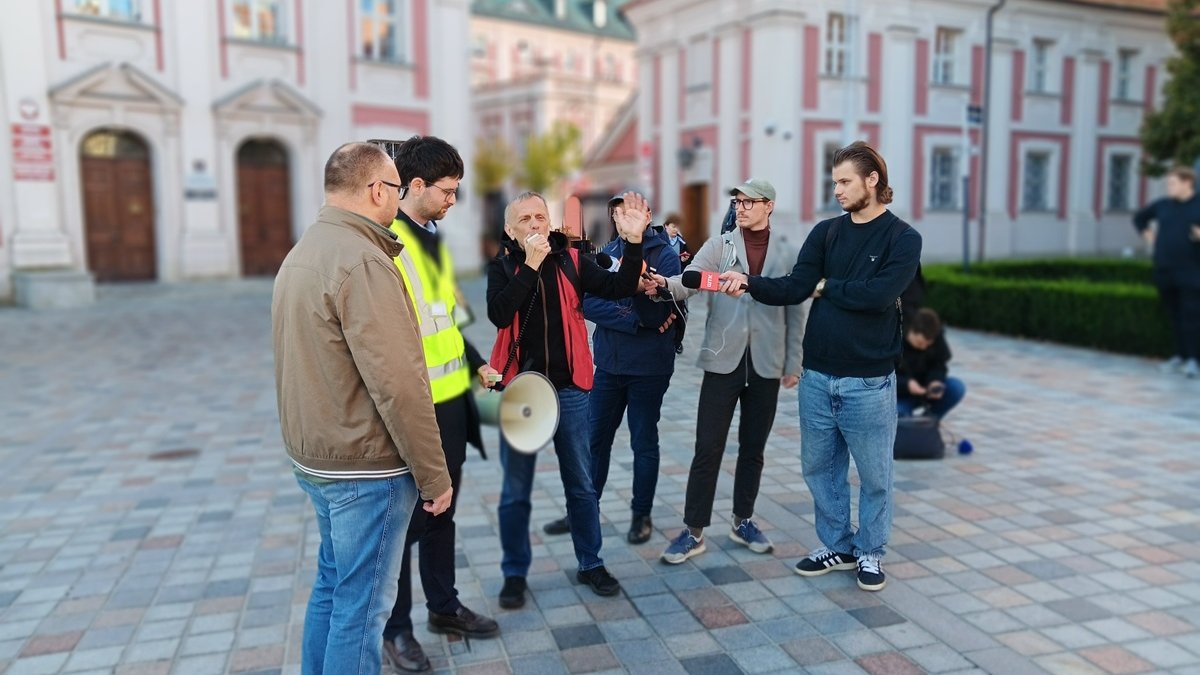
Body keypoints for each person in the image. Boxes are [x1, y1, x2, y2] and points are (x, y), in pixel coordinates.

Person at [272, 142, 453, 674]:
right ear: (378, 190)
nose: (397, 199)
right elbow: (400, 385)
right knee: (363, 608)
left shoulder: (305, 249)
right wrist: (435, 475)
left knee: (333, 586)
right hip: (365, 466)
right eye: (396, 189)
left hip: (319, 458)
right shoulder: (364, 261)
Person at [721, 141, 921, 592]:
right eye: (834, 183)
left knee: (874, 475)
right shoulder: (826, 233)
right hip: (818, 377)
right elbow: (795, 287)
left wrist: (826, 286)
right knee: (820, 469)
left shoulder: (903, 239)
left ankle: (869, 551)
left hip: (869, 381)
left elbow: (877, 297)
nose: (838, 190)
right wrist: (749, 283)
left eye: (846, 181)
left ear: (873, 181)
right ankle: (837, 544)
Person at [481, 191, 650, 608]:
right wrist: (529, 267)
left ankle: (590, 562)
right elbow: (500, 315)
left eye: (541, 216)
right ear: (510, 229)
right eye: (525, 219)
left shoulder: (572, 261)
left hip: (571, 389)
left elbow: (620, 287)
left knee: (580, 482)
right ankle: (515, 573)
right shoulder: (502, 267)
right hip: (521, 391)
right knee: (516, 490)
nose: (536, 224)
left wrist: (632, 243)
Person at [379, 136, 498, 673]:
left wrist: (475, 362)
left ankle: (444, 608)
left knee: (442, 513)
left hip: (451, 404)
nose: (455, 200)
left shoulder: (432, 241)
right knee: (406, 525)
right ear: (416, 186)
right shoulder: (387, 244)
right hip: (412, 410)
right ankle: (396, 628)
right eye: (448, 192)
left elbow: (446, 317)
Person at [651, 178, 806, 565]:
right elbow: (689, 282)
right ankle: (693, 530)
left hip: (767, 362)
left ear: (769, 205)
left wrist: (793, 363)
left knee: (753, 449)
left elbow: (796, 308)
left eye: (749, 202)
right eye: (737, 202)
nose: (740, 207)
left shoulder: (786, 252)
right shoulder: (720, 245)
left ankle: (743, 520)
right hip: (724, 360)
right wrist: (661, 285)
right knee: (708, 447)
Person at [541, 194, 682, 544]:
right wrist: (631, 318)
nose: (624, 219)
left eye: (631, 212)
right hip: (607, 365)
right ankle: (584, 511)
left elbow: (660, 312)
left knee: (643, 441)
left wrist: (637, 315)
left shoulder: (663, 255)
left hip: (649, 367)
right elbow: (586, 303)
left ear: (647, 214)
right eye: (618, 214)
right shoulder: (605, 254)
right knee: (594, 441)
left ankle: (641, 515)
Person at [1133, 165, 1200, 378]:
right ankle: (1179, 356)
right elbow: (1139, 218)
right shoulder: (1162, 205)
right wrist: (1147, 234)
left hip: (1191, 272)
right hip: (1164, 270)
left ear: (1187, 183)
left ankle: (1193, 360)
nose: (1168, 187)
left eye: (1172, 183)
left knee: (1192, 317)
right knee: (1174, 315)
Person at [896, 308, 965, 419]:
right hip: (900, 395)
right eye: (920, 343)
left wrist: (935, 381)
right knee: (897, 413)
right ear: (911, 331)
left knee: (956, 387)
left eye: (928, 344)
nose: (924, 347)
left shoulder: (937, 339)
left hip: (926, 391)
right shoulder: (895, 339)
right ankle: (907, 427)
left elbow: (939, 365)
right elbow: (884, 376)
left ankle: (929, 422)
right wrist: (906, 385)